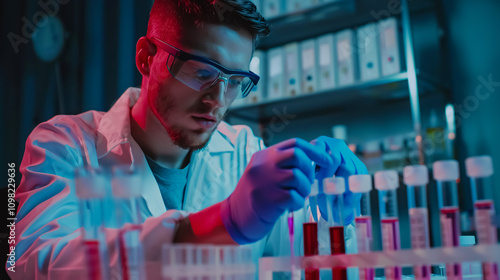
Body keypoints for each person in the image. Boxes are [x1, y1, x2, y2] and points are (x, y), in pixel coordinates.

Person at [7, 0, 367, 279]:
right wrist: (219, 224)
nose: (217, 100)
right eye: (202, 73)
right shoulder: (64, 146)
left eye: (236, 81)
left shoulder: (245, 152)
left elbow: (308, 267)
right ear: (147, 58)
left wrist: (332, 219)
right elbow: (28, 264)